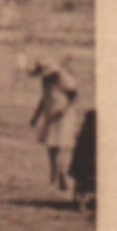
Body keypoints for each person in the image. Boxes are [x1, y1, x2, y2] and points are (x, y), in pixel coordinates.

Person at [29, 59, 81, 192]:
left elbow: (73, 95)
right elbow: (44, 98)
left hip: (63, 116)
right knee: (51, 146)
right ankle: (55, 176)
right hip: (50, 114)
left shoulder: (63, 78)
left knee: (60, 146)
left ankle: (61, 177)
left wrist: (63, 110)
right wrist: (36, 116)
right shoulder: (46, 80)